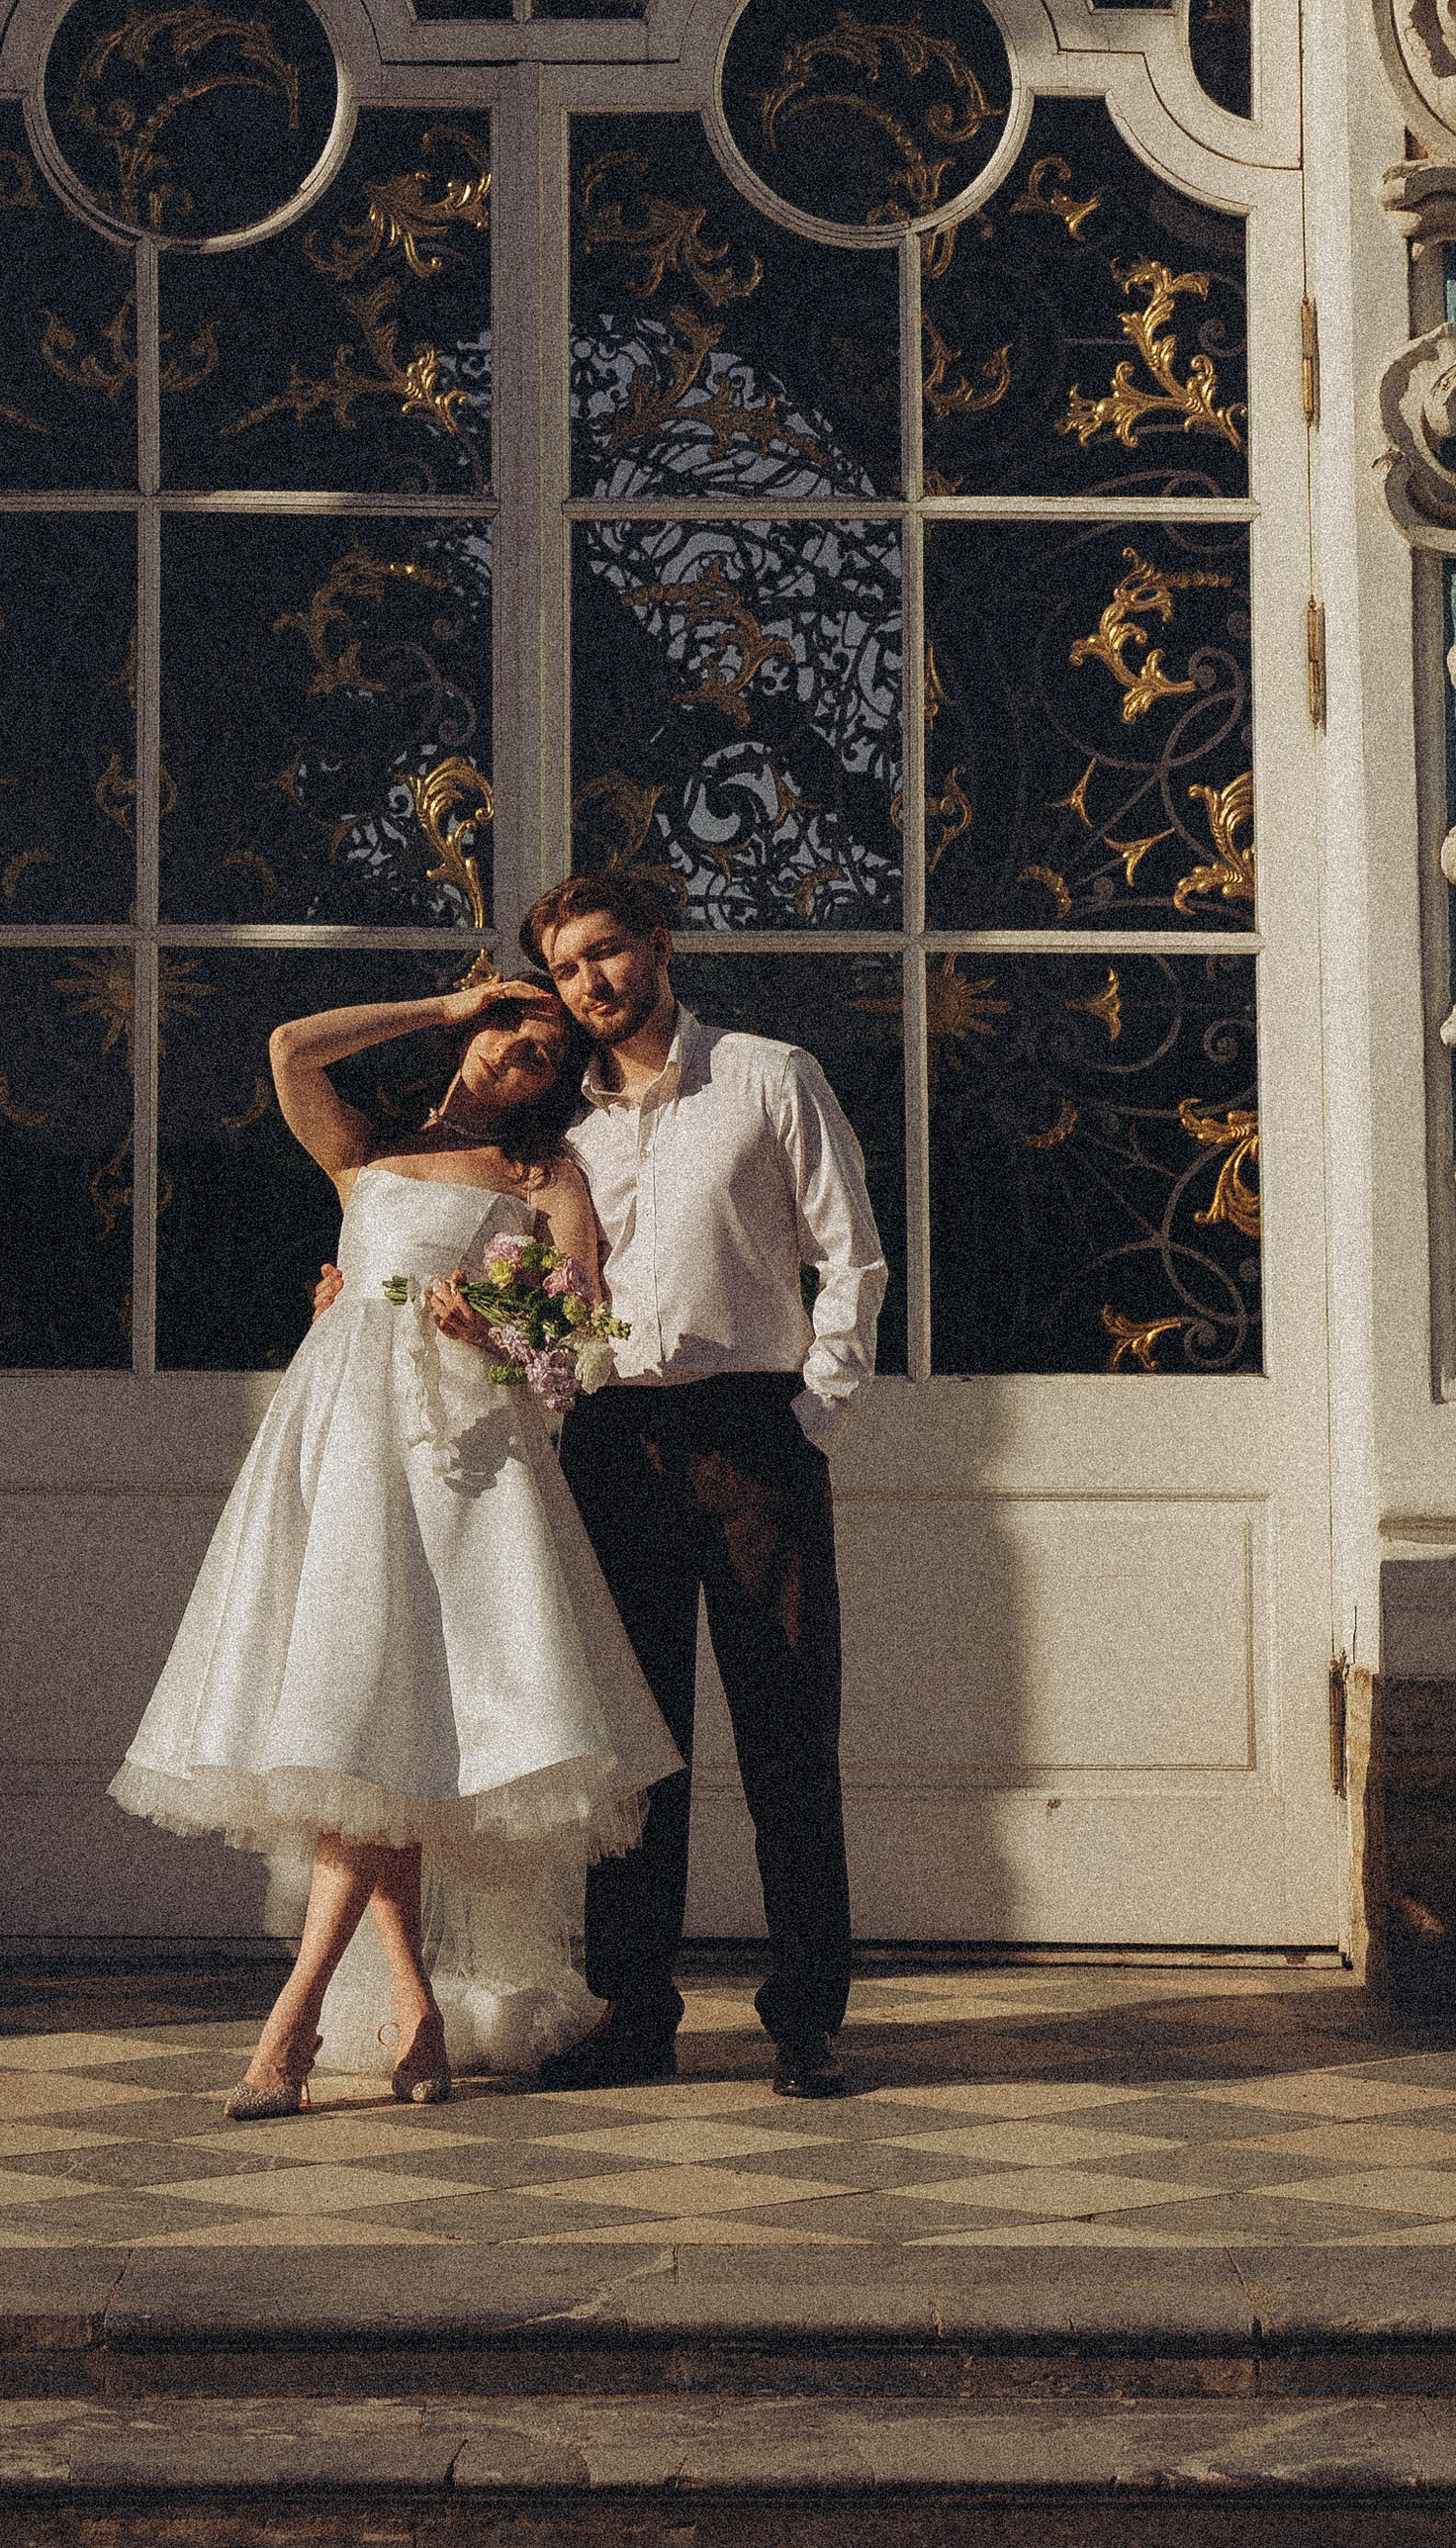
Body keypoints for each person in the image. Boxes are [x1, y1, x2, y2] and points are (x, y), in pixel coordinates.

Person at [109, 974, 680, 2120]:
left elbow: (586, 1353)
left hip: (464, 1461)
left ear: (558, 1083)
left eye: (544, 1051)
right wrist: (443, 1002)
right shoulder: (366, 1152)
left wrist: (502, 1332)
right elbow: (286, 1039)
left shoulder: (542, 1176)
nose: (518, 1055)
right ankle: (415, 2014)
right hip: (339, 1448)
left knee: (380, 1731)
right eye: (507, 1031)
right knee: (371, 1730)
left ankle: (295, 2019)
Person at [519, 868, 888, 2101]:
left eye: (608, 953)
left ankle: (805, 2019)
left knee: (787, 1733)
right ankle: (634, 2016)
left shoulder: (768, 1075)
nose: (592, 984)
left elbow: (851, 1254)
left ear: (659, 947)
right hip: (609, 1444)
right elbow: (516, 1278)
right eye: (568, 969)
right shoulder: (552, 1124)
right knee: (637, 1752)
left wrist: (812, 1414)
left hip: (751, 1436)